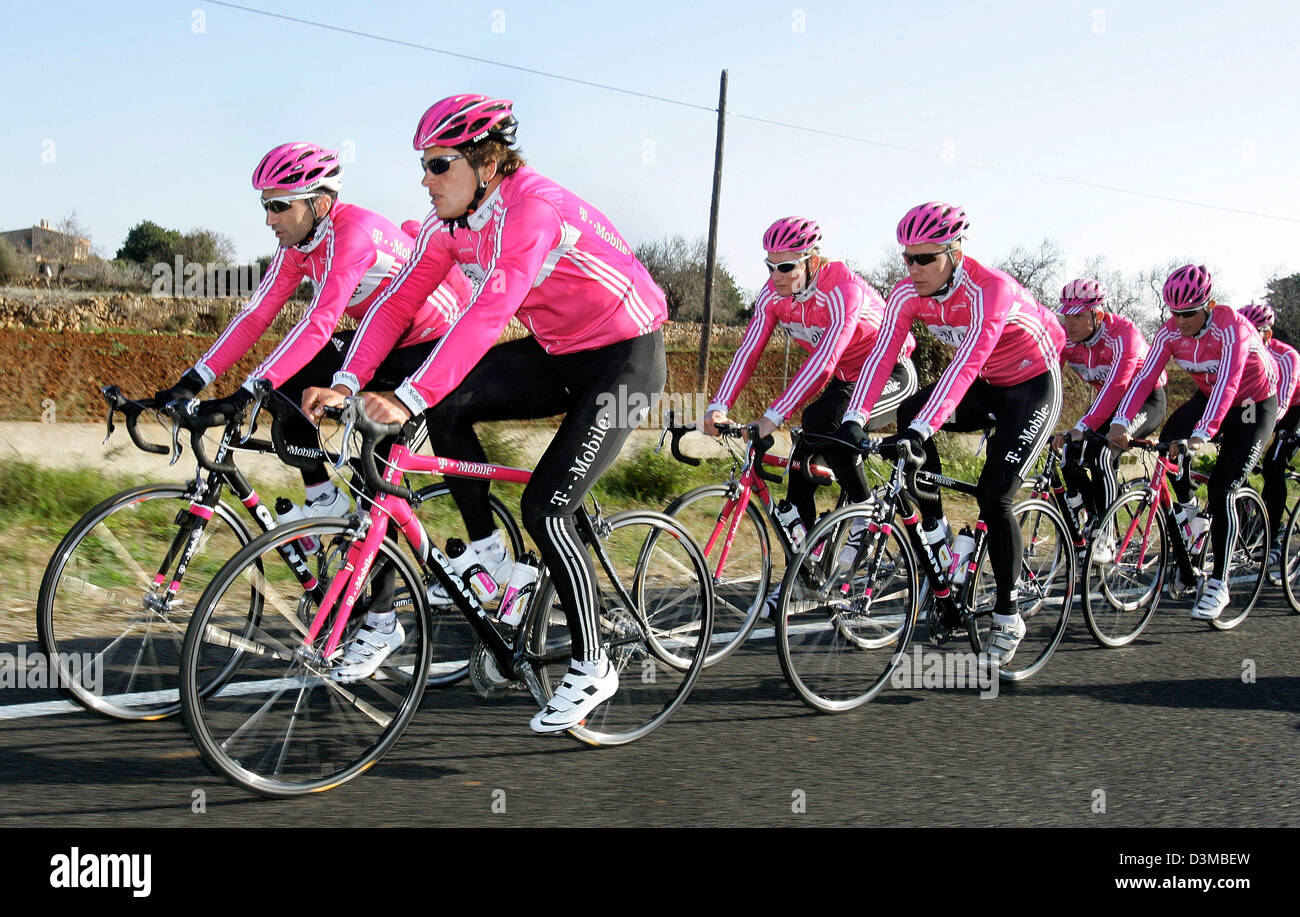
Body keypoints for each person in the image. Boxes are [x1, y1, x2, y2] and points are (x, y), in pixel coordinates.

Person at [302, 95, 668, 732]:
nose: (425, 179)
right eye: (424, 165)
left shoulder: (532, 209)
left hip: (626, 361)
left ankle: (594, 662)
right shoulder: (457, 225)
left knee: (547, 507)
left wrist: (407, 395)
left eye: (439, 164)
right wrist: (346, 380)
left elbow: (487, 314)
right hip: (560, 352)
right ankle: (494, 560)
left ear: (488, 159)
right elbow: (393, 304)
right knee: (450, 403)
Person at [154, 141, 469, 526]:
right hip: (380, 340)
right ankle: (323, 498)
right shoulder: (298, 244)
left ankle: (387, 570)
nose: (269, 219)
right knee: (287, 387)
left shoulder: (353, 233)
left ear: (319, 204)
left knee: (374, 488)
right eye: (265, 205)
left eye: (279, 206)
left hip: (430, 344)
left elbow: (319, 323)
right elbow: (256, 315)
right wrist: (192, 382)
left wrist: (241, 396)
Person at [835, 201, 1065, 667]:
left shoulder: (991, 290)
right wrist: (855, 416)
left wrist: (921, 432)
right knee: (912, 407)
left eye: (925, 258)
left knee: (995, 497)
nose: (914, 268)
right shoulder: (906, 294)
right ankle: (936, 531)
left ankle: (1008, 612)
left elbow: (965, 364)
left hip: (1032, 386)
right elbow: (883, 356)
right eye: (907, 257)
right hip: (987, 386)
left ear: (955, 253)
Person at [700, 216, 917, 609]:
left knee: (826, 425)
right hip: (847, 377)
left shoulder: (843, 289)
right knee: (800, 459)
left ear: (812, 260)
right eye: (770, 265)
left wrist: (773, 415)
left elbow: (824, 362)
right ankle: (807, 571)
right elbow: (749, 350)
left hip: (889, 371)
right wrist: (719, 405)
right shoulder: (773, 295)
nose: (776, 275)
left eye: (786, 266)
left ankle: (864, 521)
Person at [1108, 266, 1278, 620]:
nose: (1180, 320)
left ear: (1209, 305)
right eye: (1174, 313)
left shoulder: (1232, 326)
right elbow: (1145, 378)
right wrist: (1122, 420)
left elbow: (1230, 383)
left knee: (1222, 488)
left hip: (1251, 405)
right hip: (1208, 396)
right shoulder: (1171, 331)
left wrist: (1203, 434)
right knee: (1168, 440)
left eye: (1188, 313)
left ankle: (1219, 585)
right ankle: (1189, 513)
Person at [1050, 278, 1167, 563]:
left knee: (1102, 455)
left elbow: (1117, 386)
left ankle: (1107, 535)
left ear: (1097, 315)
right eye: (1067, 316)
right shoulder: (1067, 340)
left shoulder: (1124, 334)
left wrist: (1081, 428)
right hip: (1109, 404)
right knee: (1069, 455)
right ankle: (1089, 513)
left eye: (1078, 316)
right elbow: (1048, 380)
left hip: (1144, 400)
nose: (1070, 323)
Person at [1238, 301, 1299, 580]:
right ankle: (1250, 521)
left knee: (1274, 465)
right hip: (1257, 403)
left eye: (1255, 331)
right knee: (1235, 459)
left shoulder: (1287, 357)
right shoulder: (1241, 352)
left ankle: (1273, 537)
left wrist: (1266, 432)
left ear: (1267, 334)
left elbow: (1283, 401)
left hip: (1292, 408)